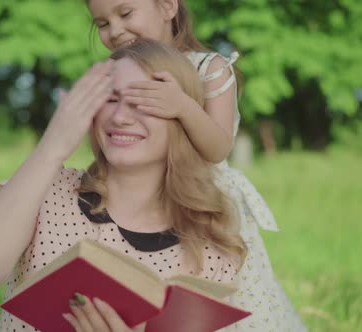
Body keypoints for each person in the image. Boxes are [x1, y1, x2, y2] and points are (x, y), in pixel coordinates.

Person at [0, 39, 247, 332]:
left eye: (142, 101)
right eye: (110, 99)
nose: (120, 117)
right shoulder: (47, 190)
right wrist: (53, 146)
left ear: (183, 119)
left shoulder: (211, 248)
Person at [86, 0, 307, 331]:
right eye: (102, 24)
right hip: (142, 202)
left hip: (200, 204)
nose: (115, 30)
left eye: (126, 13)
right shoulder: (118, 71)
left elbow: (217, 147)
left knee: (208, 298)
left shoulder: (207, 66)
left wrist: (183, 106)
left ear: (168, 6)